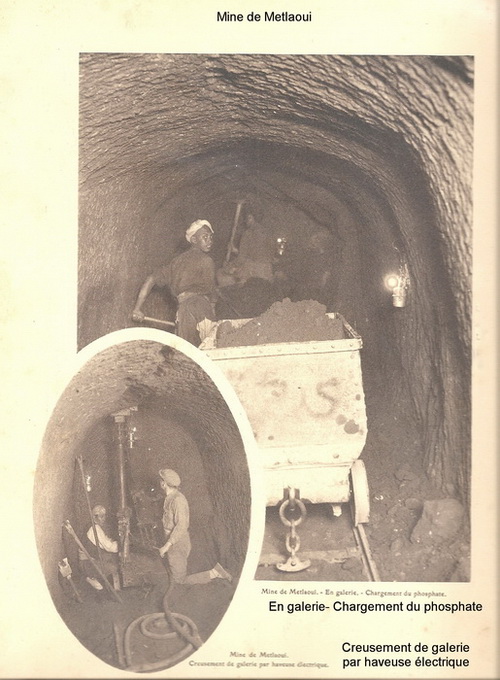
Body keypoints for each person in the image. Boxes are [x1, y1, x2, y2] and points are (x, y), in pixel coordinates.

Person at [132, 219, 217, 346]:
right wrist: (213, 311)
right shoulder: (207, 261)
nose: (209, 241)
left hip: (182, 312)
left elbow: (150, 279)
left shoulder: (176, 262)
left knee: (187, 351)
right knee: (208, 349)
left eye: (210, 237)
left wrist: (137, 309)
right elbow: (211, 293)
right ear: (194, 240)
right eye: (205, 237)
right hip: (200, 310)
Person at [158, 468, 232, 585]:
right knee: (174, 571)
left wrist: (167, 546)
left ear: (164, 483)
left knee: (179, 580)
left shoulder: (177, 500)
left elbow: (182, 525)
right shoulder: (171, 497)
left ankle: (215, 573)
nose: (160, 482)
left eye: (161, 480)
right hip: (173, 540)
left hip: (177, 543)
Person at [78, 505, 121, 591]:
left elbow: (104, 541)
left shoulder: (91, 525)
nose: (104, 519)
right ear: (95, 517)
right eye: (101, 516)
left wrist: (112, 542)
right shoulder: (95, 529)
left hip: (89, 558)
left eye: (104, 516)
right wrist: (121, 544)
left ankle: (96, 578)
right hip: (87, 563)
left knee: (110, 557)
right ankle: (91, 577)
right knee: (114, 567)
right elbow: (110, 547)